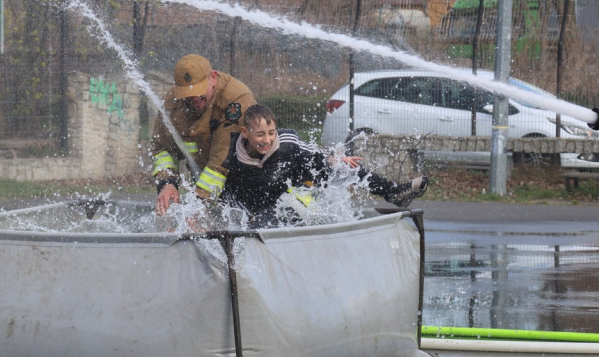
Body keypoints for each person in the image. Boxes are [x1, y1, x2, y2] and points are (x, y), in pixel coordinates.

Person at [220, 104, 429, 227]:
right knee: (264, 217)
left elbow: (312, 151)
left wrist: (333, 159)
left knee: (345, 166)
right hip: (267, 203)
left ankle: (393, 192)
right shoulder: (236, 163)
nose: (267, 140)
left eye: (271, 132)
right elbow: (231, 195)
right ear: (245, 133)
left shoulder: (286, 142)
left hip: (298, 176)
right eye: (260, 135)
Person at [152, 54, 256, 214]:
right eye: (187, 93)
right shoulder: (172, 103)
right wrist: (168, 182)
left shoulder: (235, 100)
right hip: (204, 181)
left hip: (246, 182)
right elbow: (161, 148)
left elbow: (222, 160)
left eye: (199, 91)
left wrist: (198, 207)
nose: (194, 98)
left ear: (213, 78)